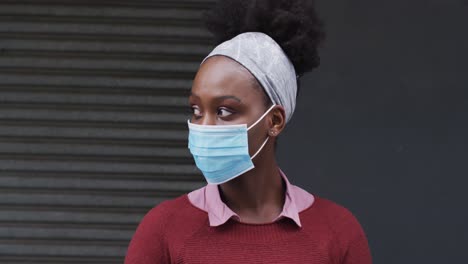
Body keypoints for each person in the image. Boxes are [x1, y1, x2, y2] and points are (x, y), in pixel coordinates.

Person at [125, 0, 372, 263]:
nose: (203, 127)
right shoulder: (163, 230)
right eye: (196, 111)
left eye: (224, 111)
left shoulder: (337, 232)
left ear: (275, 120)